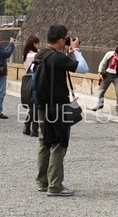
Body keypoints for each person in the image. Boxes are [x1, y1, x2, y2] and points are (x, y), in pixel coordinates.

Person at [35, 25, 88, 196]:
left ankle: (43, 181)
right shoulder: (57, 58)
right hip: (58, 107)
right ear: (60, 40)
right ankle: (55, 186)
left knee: (45, 143)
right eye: (65, 39)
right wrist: (76, 50)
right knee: (59, 144)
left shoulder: (41, 54)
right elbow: (83, 68)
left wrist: (68, 55)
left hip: (42, 106)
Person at [92, 46, 118, 117]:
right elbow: (102, 63)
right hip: (107, 75)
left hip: (117, 77)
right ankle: (100, 105)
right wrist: (99, 72)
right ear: (116, 52)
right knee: (101, 90)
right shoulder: (109, 54)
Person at [22, 35, 41, 137]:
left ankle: (27, 126)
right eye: (38, 43)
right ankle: (34, 128)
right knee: (36, 105)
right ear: (34, 44)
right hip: (35, 81)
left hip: (27, 81)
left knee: (32, 106)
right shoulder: (36, 55)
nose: (39, 45)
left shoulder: (24, 55)